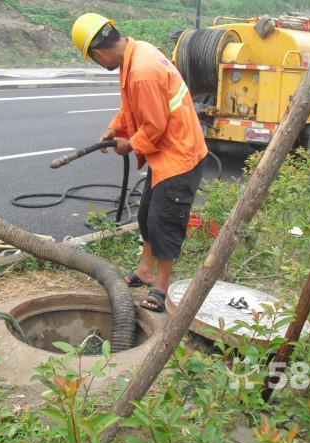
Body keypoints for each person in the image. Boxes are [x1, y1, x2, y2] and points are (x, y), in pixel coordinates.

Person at [71, 13, 208, 312]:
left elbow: (154, 126)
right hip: (167, 154)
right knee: (147, 214)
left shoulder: (142, 71)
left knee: (165, 221)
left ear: (97, 54)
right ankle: (146, 270)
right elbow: (132, 105)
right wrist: (116, 127)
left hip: (179, 155)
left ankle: (162, 285)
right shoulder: (136, 53)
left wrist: (129, 144)